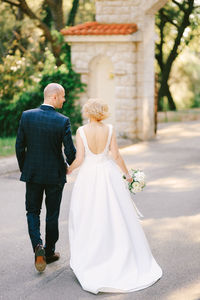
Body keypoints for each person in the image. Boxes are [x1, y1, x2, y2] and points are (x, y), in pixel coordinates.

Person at [67, 98, 162, 294]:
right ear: (101, 112)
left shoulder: (81, 131)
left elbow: (80, 158)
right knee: (116, 214)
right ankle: (119, 253)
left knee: (89, 215)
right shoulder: (109, 129)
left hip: (89, 177)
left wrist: (68, 170)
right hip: (108, 174)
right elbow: (116, 155)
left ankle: (93, 256)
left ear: (88, 112)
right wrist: (127, 175)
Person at [15, 83, 76, 272]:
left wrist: (26, 168)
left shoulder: (27, 116)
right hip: (55, 175)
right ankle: (49, 252)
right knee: (52, 214)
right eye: (63, 96)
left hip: (33, 173)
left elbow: (19, 147)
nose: (64, 100)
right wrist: (69, 165)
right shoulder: (63, 121)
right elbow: (70, 152)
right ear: (54, 96)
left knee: (32, 212)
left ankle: (37, 247)